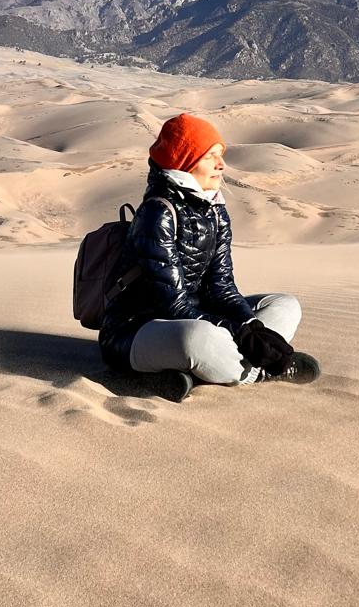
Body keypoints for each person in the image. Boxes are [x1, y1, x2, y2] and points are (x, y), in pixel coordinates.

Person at [99, 112, 321, 400]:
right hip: (136, 332)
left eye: (221, 155)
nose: (222, 164)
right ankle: (260, 371)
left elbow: (222, 287)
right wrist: (239, 333)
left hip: (201, 318)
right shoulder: (157, 214)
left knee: (284, 305)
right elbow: (172, 305)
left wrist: (249, 325)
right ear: (184, 162)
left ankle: (203, 369)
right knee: (199, 339)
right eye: (210, 156)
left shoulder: (215, 209)